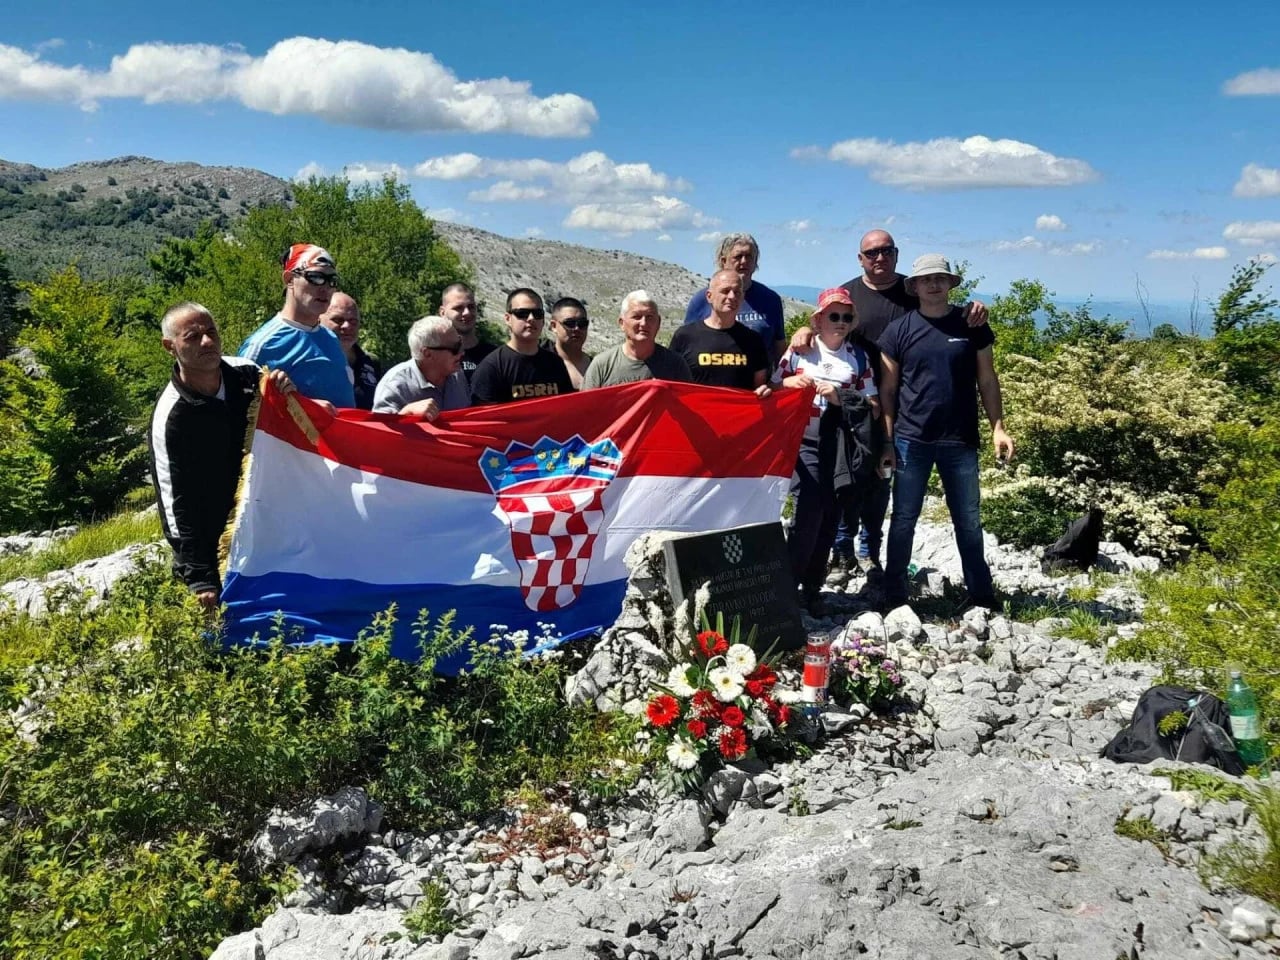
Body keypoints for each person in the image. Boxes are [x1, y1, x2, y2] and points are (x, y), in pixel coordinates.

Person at [791, 229, 989, 573]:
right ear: (860, 258)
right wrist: (802, 332)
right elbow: (824, 323)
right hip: (850, 402)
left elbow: (946, 314)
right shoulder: (849, 294)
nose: (879, 258)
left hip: (899, 403)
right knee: (845, 478)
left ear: (896, 254)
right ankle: (842, 550)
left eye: (886, 251)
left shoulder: (914, 288)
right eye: (871, 253)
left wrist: (975, 308)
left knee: (881, 481)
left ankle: (870, 550)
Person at [877, 254, 1014, 612]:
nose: (933, 284)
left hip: (961, 438)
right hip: (911, 438)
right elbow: (888, 390)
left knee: (968, 519)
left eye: (940, 278)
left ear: (951, 283)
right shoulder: (898, 331)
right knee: (904, 518)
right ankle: (894, 593)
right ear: (915, 286)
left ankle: (981, 594)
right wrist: (887, 440)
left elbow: (987, 377)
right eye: (926, 279)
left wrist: (998, 426)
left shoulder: (972, 324)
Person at [150, 302, 296, 608]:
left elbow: (292, 430)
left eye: (211, 332)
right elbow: (176, 503)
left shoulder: (248, 375)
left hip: (267, 519)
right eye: (193, 336)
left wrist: (286, 393)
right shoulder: (172, 416)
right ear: (170, 346)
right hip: (215, 535)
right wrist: (199, 576)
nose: (207, 342)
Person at [775, 288, 878, 616]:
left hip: (839, 446)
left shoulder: (858, 358)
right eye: (834, 316)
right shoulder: (798, 352)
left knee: (831, 516)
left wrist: (840, 398)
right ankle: (790, 587)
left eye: (847, 317)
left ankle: (812, 588)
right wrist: (789, 386)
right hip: (803, 441)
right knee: (809, 511)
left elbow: (873, 406)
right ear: (818, 319)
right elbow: (773, 387)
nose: (841, 323)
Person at [238, 243, 355, 407]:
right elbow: (239, 414)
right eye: (315, 277)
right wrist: (309, 409)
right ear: (289, 279)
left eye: (332, 281)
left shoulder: (331, 339)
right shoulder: (261, 346)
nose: (325, 288)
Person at [684, 233, 786, 363]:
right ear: (723, 261)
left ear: (755, 262)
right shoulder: (702, 300)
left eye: (749, 256)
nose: (744, 261)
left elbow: (780, 349)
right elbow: (687, 345)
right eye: (738, 257)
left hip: (759, 381)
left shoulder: (770, 300)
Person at [669, 270, 772, 397]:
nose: (732, 296)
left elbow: (760, 388)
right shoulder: (684, 336)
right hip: (696, 415)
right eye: (725, 291)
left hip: (739, 415)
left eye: (737, 292)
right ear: (709, 296)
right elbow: (670, 383)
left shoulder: (753, 340)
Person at [471, 289, 575, 405]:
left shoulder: (555, 363)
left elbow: (567, 408)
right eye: (522, 313)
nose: (531, 318)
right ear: (507, 319)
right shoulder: (492, 367)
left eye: (537, 314)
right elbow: (485, 418)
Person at [582, 291, 693, 389]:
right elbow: (587, 409)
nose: (644, 323)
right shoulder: (602, 365)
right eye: (636, 317)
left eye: (649, 317)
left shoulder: (675, 365)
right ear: (622, 323)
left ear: (658, 323)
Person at [372, 316, 470, 419]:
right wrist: (407, 412)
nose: (461, 352)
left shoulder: (457, 376)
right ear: (427, 354)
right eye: (455, 348)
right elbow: (379, 430)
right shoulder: (395, 385)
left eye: (460, 343)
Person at [318, 292, 382, 410]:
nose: (347, 326)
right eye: (338, 320)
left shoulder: (371, 362)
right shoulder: (309, 360)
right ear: (318, 321)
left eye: (353, 321)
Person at [439, 282, 494, 384]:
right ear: (442, 312)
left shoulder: (494, 356)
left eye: (471, 307)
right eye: (458, 308)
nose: (467, 313)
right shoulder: (434, 357)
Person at [547, 297, 593, 389]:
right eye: (570, 323)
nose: (577, 328)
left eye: (582, 323)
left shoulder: (597, 366)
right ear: (554, 326)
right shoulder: (540, 365)